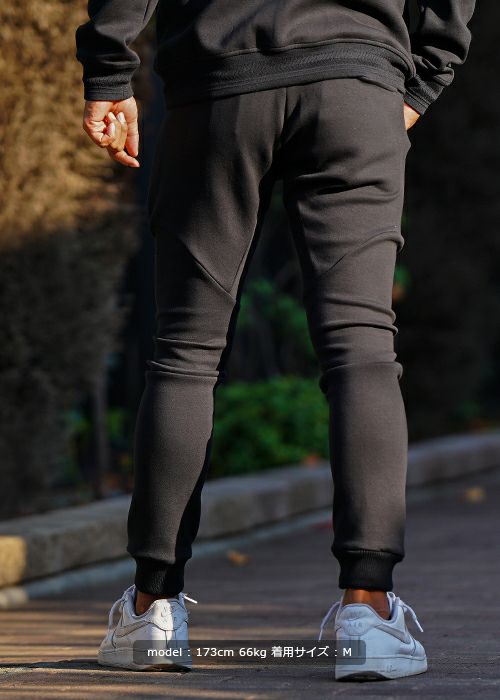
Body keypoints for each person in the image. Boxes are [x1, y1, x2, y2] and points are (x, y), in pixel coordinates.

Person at [76, 0, 476, 680]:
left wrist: (110, 71)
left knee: (186, 351)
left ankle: (152, 613)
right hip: (356, 80)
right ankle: (369, 614)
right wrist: (426, 74)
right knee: (361, 346)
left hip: (218, 81)